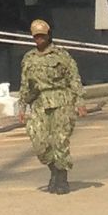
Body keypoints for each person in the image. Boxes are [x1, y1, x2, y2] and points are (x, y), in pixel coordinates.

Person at [20, 20, 85, 194]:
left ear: (48, 35)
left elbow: (74, 78)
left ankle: (61, 179)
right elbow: (25, 84)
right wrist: (22, 106)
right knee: (40, 143)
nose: (39, 39)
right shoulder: (29, 58)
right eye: (36, 36)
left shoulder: (61, 55)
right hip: (39, 103)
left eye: (42, 35)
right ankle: (54, 170)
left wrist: (80, 101)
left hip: (61, 101)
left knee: (60, 141)